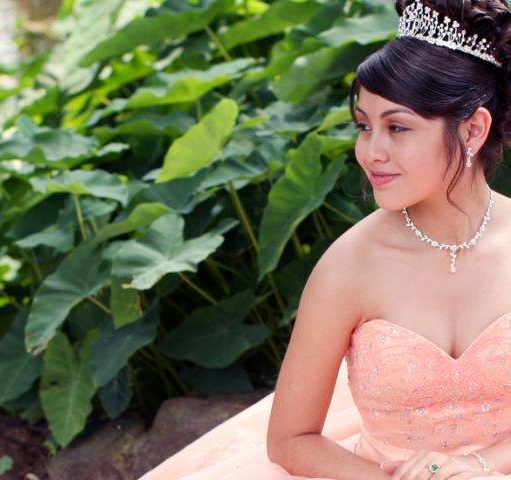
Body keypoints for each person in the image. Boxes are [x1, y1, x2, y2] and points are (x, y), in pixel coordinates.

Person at [140, 0, 511, 478]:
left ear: (473, 129)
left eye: (396, 128)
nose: (370, 152)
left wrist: (476, 466)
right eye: (363, 126)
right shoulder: (350, 266)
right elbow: (290, 440)